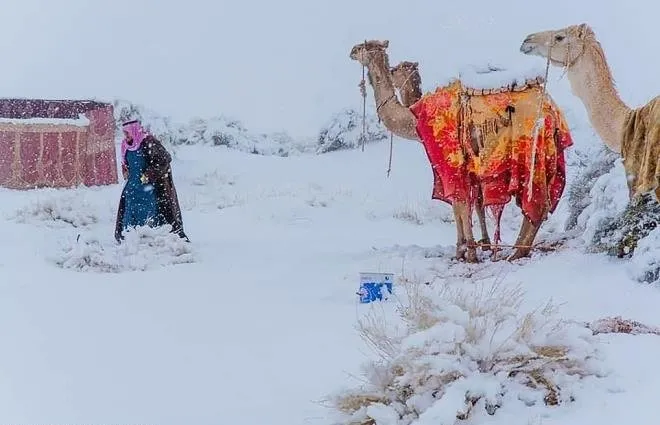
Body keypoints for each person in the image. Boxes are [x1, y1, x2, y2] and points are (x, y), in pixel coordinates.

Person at [114, 119, 189, 243]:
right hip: (132, 186)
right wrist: (125, 170)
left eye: (127, 132)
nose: (125, 135)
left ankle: (150, 237)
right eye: (124, 133)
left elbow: (164, 159)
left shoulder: (148, 142)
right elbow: (125, 162)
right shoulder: (125, 145)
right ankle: (129, 238)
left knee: (148, 211)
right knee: (129, 211)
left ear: (134, 131)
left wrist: (149, 174)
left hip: (147, 187)